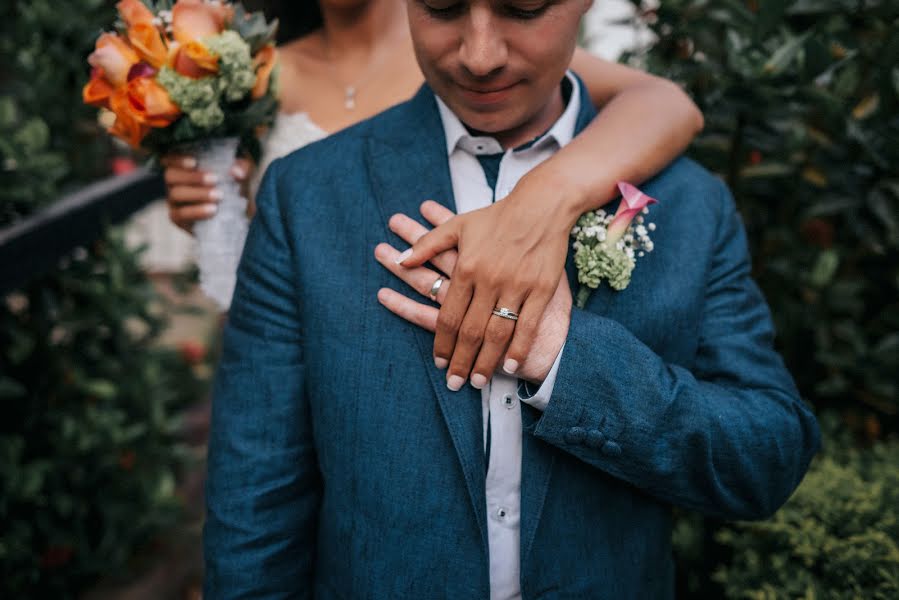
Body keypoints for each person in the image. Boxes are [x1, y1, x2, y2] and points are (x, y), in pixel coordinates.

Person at [204, 0, 820, 597]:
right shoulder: (306, 195)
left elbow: (766, 459)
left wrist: (566, 358)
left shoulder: (690, 203)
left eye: (523, 10)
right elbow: (255, 501)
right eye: (441, 9)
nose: (479, 56)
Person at [164, 0, 703, 380]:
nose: (480, 53)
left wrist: (544, 199)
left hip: (428, 360)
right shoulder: (256, 75)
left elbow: (665, 105)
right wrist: (213, 210)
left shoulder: (461, 45)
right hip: (290, 351)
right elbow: (279, 225)